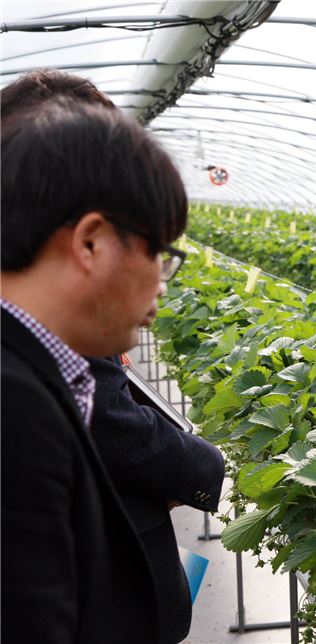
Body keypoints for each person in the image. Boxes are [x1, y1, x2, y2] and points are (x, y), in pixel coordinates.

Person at [1, 69, 225, 644]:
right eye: (159, 253)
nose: (163, 283)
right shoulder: (17, 408)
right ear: (91, 242)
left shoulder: (41, 375)